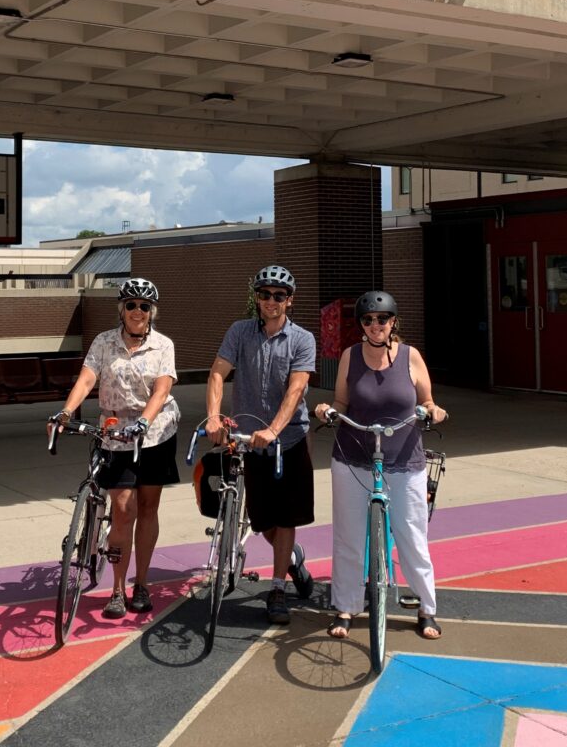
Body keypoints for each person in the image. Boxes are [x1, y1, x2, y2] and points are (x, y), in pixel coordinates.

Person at [315, 290, 448, 641]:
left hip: (404, 457)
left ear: (393, 323)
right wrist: (327, 410)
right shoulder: (349, 356)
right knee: (348, 536)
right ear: (361, 325)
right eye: (368, 320)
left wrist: (434, 410)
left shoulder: (410, 356)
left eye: (382, 319)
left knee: (411, 535)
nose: (375, 325)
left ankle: (426, 608)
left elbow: (428, 399)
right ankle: (345, 606)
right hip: (352, 456)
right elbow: (342, 400)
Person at [58, 277, 180, 619]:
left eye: (144, 306)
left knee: (148, 506)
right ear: (121, 310)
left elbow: (161, 389)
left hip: (154, 433)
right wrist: (66, 411)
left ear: (152, 312)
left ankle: (141, 583)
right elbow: (86, 379)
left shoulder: (163, 345)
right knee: (124, 509)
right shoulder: (103, 342)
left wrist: (145, 420)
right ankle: (116, 588)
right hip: (115, 433)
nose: (137, 311)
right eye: (131, 305)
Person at [206, 264, 316, 624]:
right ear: (257, 298)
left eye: (279, 296)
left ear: (290, 301)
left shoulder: (302, 339)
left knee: (285, 517)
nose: (272, 301)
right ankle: (294, 560)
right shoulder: (240, 332)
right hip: (248, 441)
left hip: (289, 440)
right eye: (265, 294)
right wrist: (213, 415)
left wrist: (274, 429)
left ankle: (277, 589)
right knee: (260, 518)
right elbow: (217, 373)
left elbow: (296, 388)